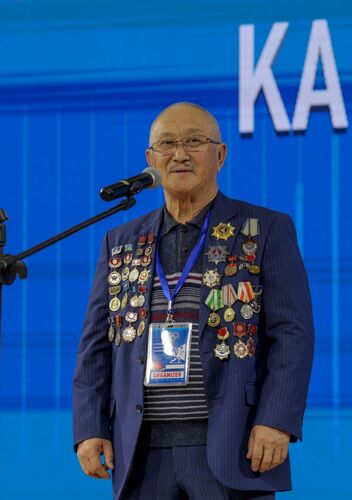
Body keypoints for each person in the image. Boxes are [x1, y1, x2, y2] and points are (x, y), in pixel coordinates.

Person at [73, 102, 314, 499]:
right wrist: (89, 427)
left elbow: (293, 334)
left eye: (194, 141)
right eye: (167, 144)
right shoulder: (121, 240)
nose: (180, 154)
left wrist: (277, 419)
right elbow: (95, 344)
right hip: (142, 453)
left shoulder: (264, 229)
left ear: (220, 155)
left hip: (233, 447)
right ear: (151, 159)